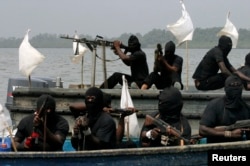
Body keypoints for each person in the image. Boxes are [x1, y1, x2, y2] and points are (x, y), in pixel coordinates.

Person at [69, 92, 137, 148]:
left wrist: (122, 116)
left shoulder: (105, 118)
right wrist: (94, 107)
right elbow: (72, 106)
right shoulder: (90, 115)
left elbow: (116, 139)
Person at [199, 74, 250, 143]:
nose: (235, 88)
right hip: (217, 148)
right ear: (226, 88)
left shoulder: (246, 107)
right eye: (232, 85)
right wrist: (230, 134)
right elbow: (202, 130)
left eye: (238, 85)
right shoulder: (215, 105)